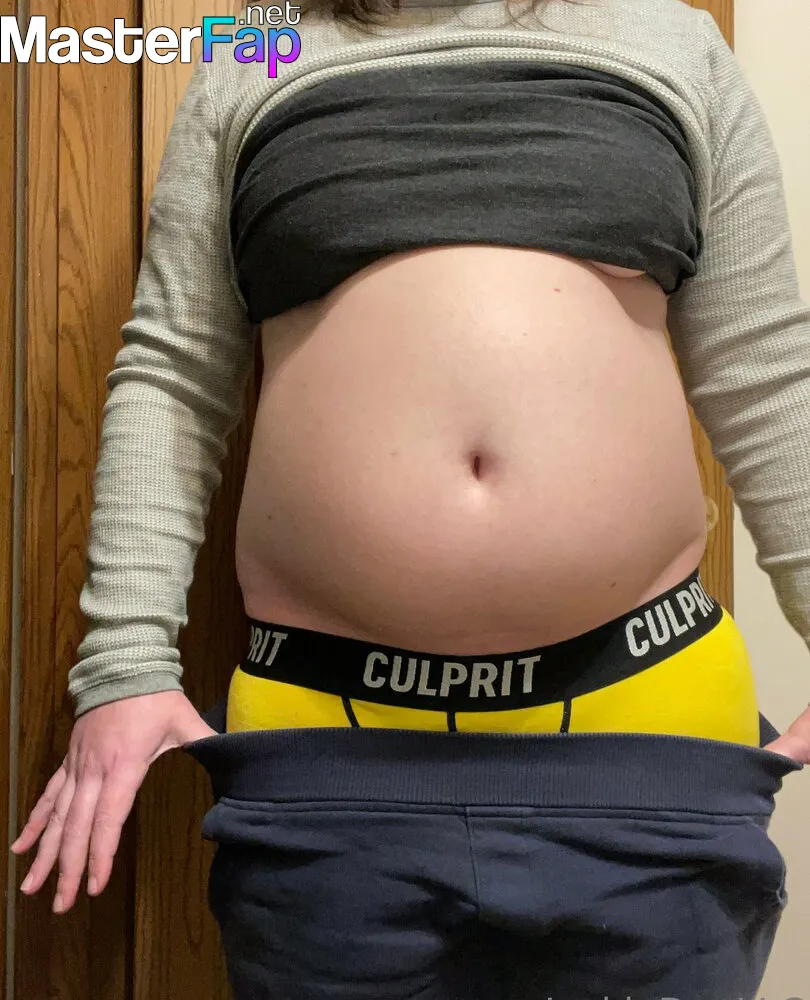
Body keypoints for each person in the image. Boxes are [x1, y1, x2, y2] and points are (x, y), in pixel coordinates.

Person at [10, 0, 810, 995]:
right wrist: (123, 661)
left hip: (647, 725)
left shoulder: (671, 40)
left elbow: (765, 371)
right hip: (328, 746)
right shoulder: (254, 49)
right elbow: (174, 374)